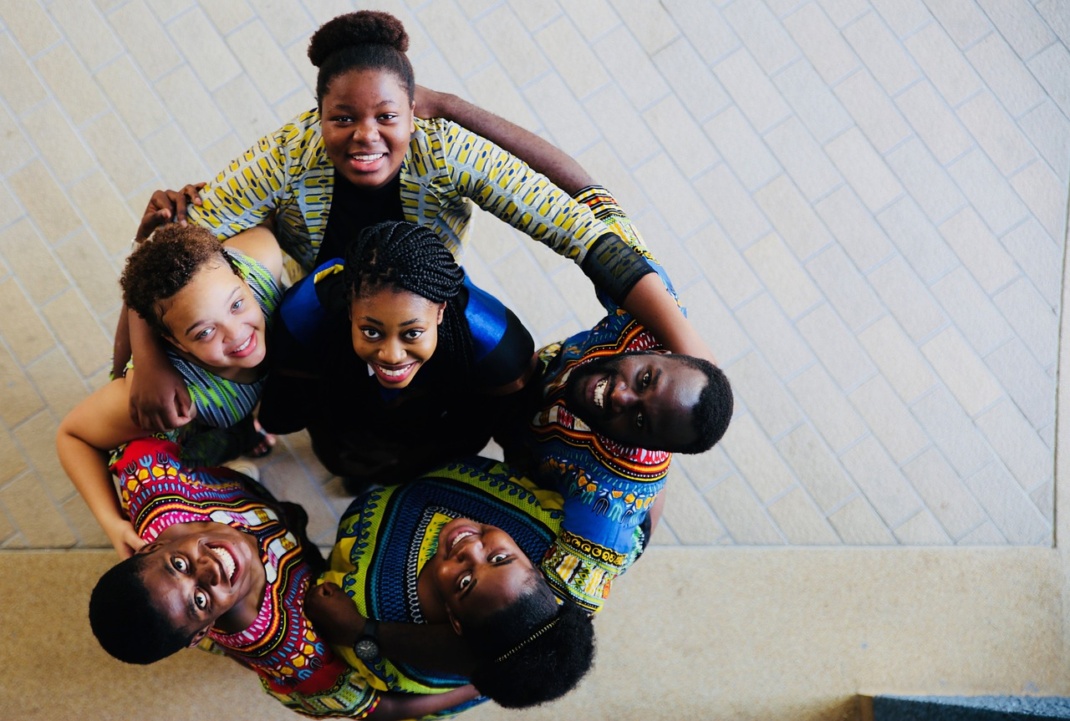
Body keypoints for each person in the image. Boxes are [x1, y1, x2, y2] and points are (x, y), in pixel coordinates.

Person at [127, 8, 715, 434]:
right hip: (318, 294)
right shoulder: (288, 153)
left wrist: (693, 353)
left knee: (459, 375)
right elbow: (166, 254)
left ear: (414, 112)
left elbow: (575, 226)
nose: (365, 136)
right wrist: (143, 362)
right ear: (317, 116)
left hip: (422, 293)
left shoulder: (445, 151)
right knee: (307, 390)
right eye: (342, 118)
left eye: (387, 116)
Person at [87, 436, 481, 719]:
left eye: (179, 565)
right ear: (202, 632)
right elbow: (379, 708)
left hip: (257, 504)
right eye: (200, 600)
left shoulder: (154, 481)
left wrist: (110, 521)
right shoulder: (290, 653)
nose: (209, 569)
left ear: (150, 547)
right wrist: (482, 683)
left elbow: (95, 436)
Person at [57, 222, 283, 558]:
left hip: (234, 410)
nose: (236, 333)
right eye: (204, 332)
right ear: (174, 342)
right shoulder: (172, 398)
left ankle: (249, 431)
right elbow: (73, 436)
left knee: (243, 422)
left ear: (241, 277)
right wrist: (112, 522)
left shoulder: (263, 259)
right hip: (194, 439)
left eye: (236, 305)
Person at [258, 219, 534, 489]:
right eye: (371, 331)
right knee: (344, 456)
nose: (391, 356)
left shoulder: (496, 345)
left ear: (440, 311)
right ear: (351, 308)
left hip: (436, 422)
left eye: (412, 333)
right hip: (344, 409)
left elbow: (488, 424)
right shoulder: (306, 314)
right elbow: (295, 400)